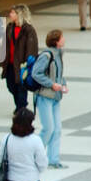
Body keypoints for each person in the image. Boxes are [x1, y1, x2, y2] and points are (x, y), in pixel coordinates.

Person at [30, 29, 68, 169]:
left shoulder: (59, 55)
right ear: (56, 41)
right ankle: (34, 156)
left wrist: (63, 84)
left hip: (56, 96)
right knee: (48, 128)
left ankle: (53, 159)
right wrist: (51, 84)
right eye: (62, 37)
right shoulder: (46, 56)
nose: (64, 39)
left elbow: (59, 74)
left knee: (57, 129)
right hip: (45, 96)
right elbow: (36, 73)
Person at [0, 109, 48, 181]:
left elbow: (0, 159)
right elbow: (42, 163)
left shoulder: (7, 139)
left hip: (12, 180)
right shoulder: (35, 140)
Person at [0, 4, 39, 111]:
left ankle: (21, 107)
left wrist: (28, 63)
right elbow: (5, 45)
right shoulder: (10, 27)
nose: (10, 14)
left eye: (12, 13)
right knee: (11, 85)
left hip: (22, 64)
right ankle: (20, 104)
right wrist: (2, 60)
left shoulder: (28, 30)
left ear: (19, 14)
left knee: (21, 87)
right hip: (10, 63)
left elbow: (32, 47)